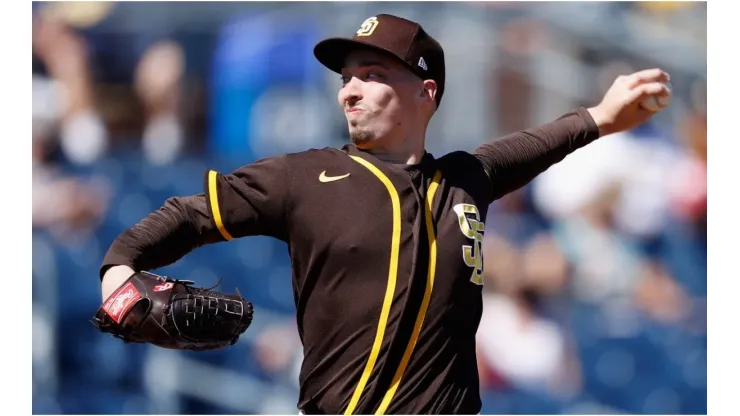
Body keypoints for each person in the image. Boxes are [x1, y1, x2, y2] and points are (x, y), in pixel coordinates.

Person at [98, 14, 671, 415]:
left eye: (371, 74)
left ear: (426, 92)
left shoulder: (465, 179)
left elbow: (538, 142)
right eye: (346, 77)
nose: (350, 90)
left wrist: (603, 116)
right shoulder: (305, 177)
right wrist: (119, 271)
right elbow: (187, 216)